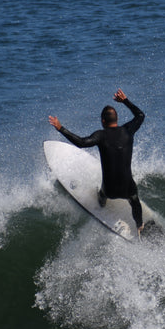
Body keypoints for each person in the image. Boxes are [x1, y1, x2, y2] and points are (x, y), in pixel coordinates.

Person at [49, 89, 145, 232]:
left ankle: (101, 203)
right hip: (127, 188)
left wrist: (60, 128)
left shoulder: (100, 135)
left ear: (103, 121)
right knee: (134, 200)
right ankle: (139, 226)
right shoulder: (127, 130)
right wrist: (125, 100)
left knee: (102, 193)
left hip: (110, 190)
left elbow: (81, 142)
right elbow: (140, 115)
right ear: (116, 119)